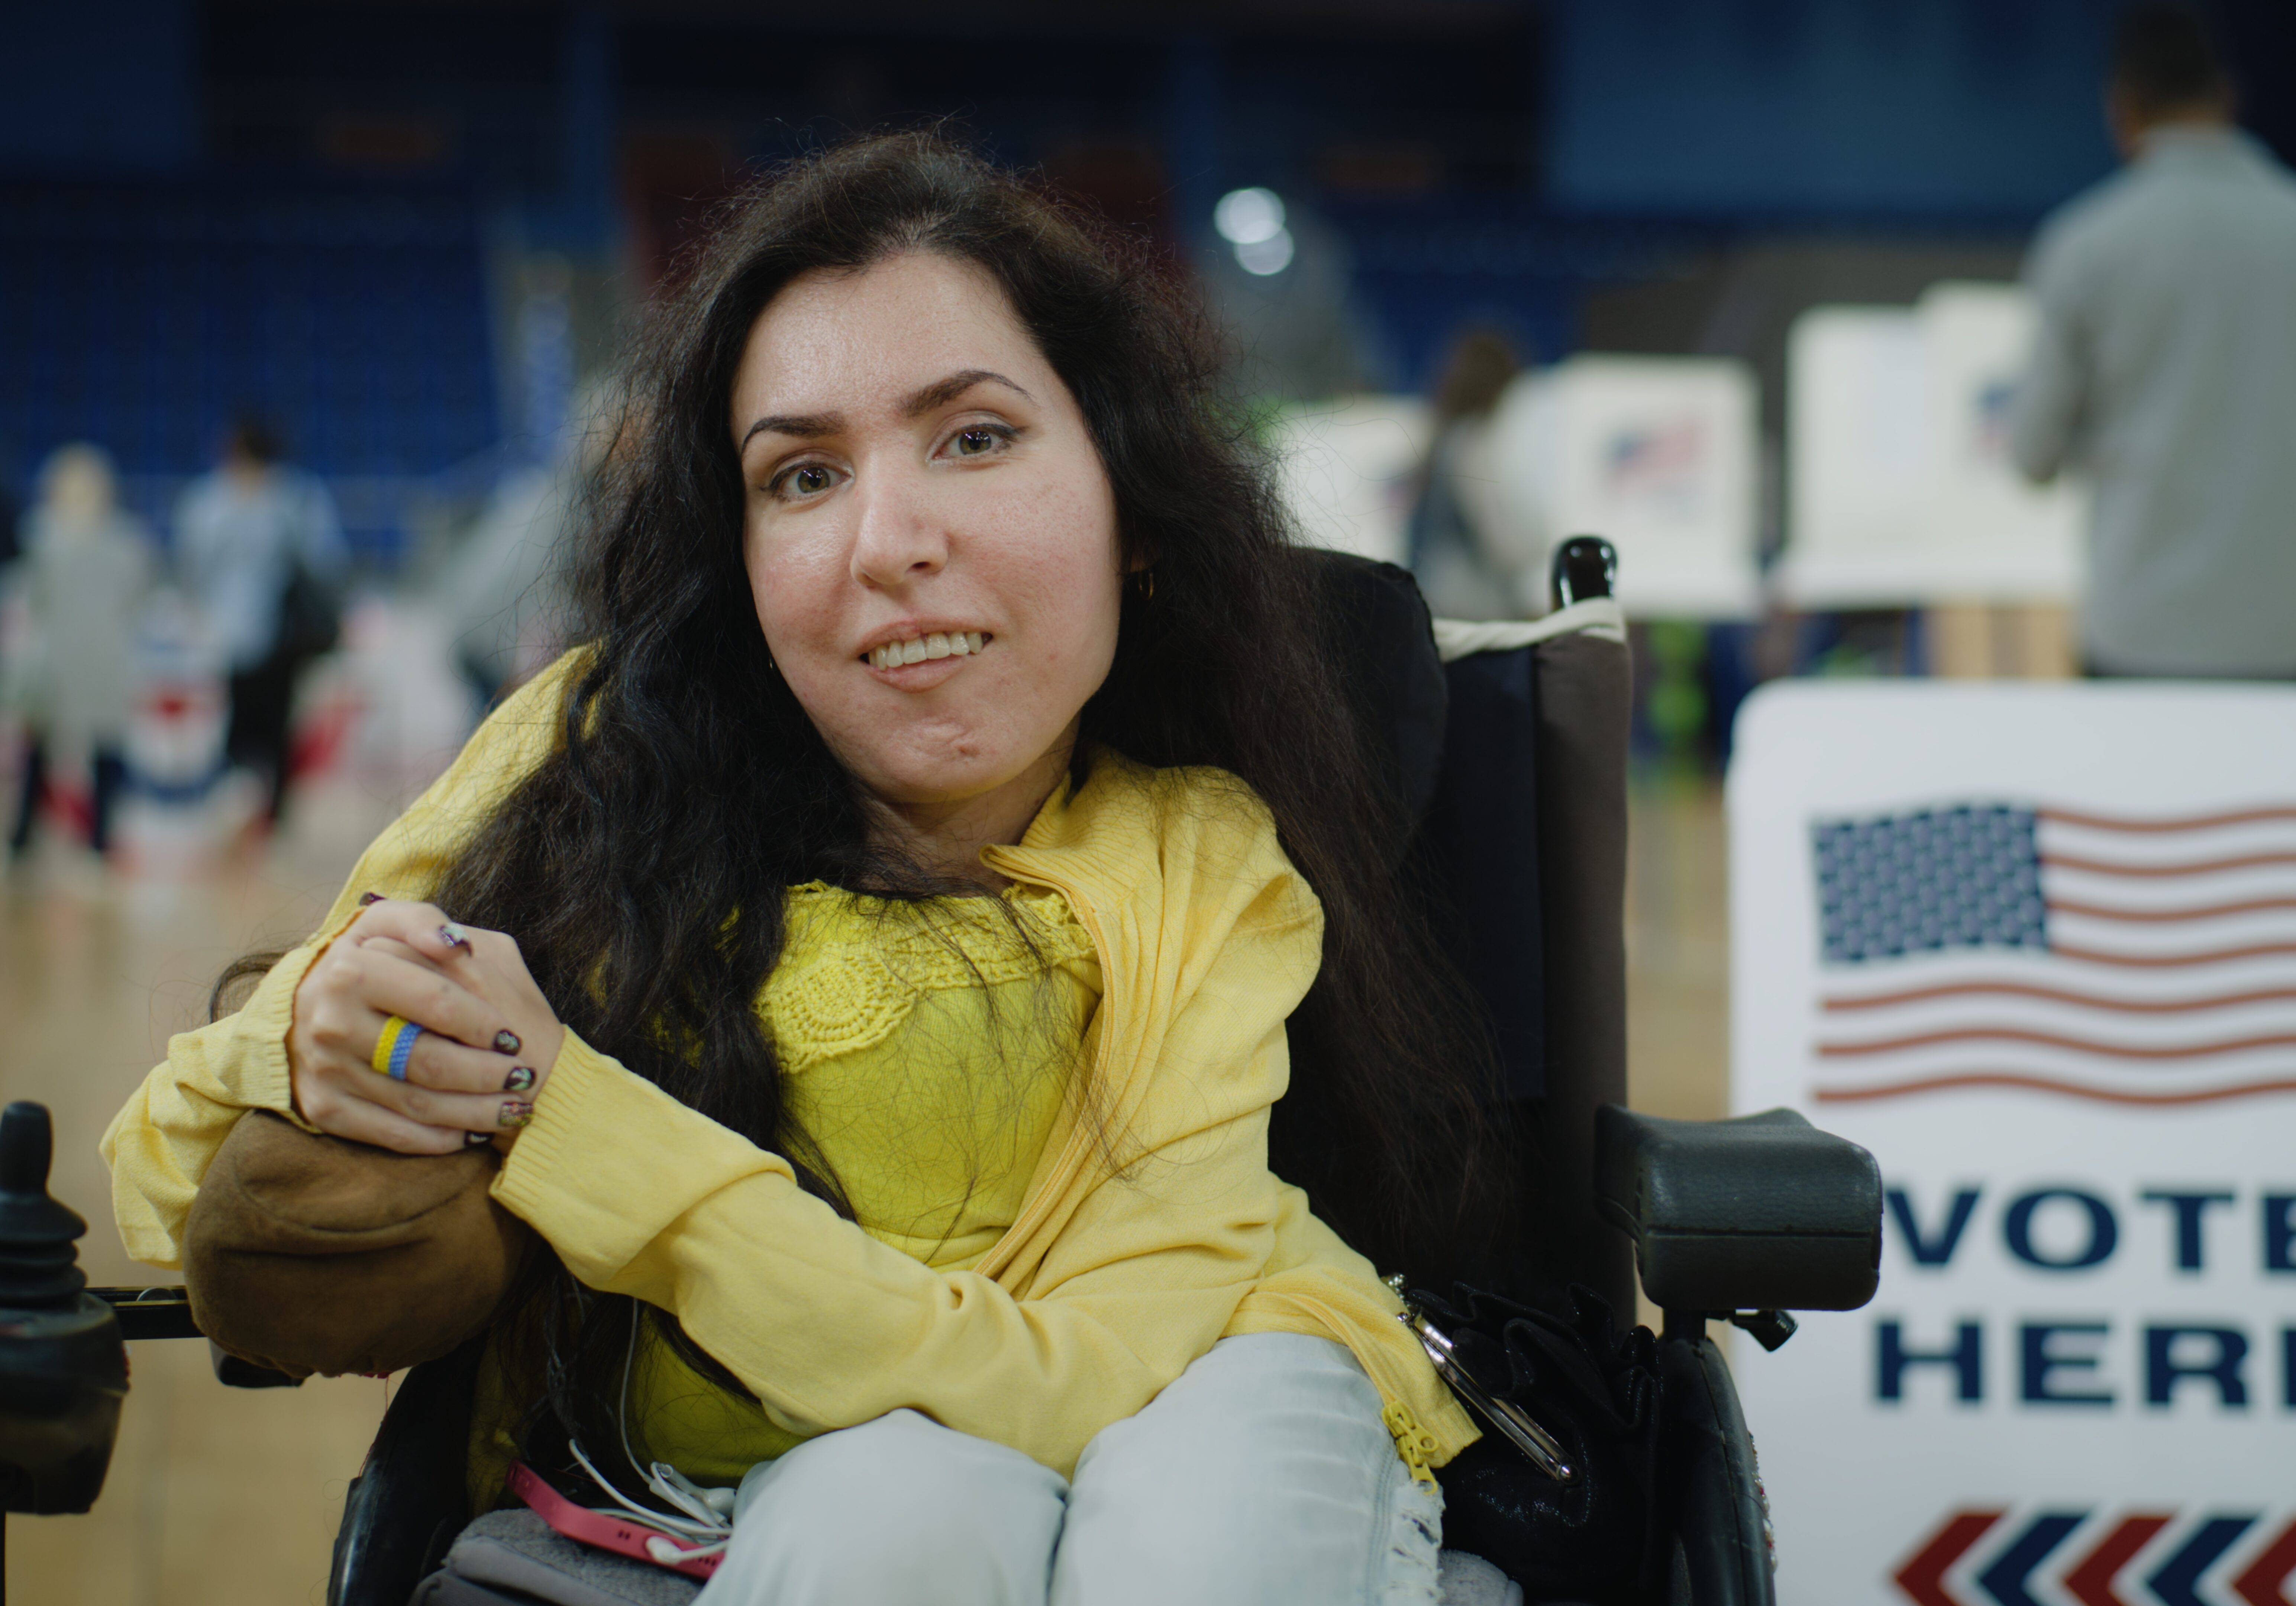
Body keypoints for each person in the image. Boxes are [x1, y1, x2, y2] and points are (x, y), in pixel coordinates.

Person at [103, 136, 1516, 1605]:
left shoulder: (1201, 862)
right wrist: (321, 1031)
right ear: (740, 557)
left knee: (1198, 1533)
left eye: (972, 437)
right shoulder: (595, 764)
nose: (888, 542)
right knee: (882, 1509)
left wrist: (556, 1110)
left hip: (1212, 1385)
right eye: (802, 474)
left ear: (1130, 504)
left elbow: (1097, 1380)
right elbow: (164, 1162)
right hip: (803, 1473)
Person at [2008, 3, 2296, 678]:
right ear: (2227, 96)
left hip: (2140, 629)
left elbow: (2033, 454)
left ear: (2123, 110)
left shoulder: (2086, 245)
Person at [172, 418, 348, 820]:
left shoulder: (209, 502)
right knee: (266, 730)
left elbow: (189, 570)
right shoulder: (296, 498)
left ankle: (246, 812)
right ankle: (261, 816)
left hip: (246, 639)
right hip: (264, 639)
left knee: (244, 730)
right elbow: (327, 564)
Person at [6, 444, 153, 860]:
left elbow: (34, 600)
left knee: (42, 754)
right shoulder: (128, 542)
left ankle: (23, 840)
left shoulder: (40, 537)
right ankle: (100, 841)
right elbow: (136, 599)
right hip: (107, 659)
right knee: (104, 757)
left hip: (58, 661)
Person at [1406, 328, 1531, 622]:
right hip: (1471, 604)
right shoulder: (1472, 443)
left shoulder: (1441, 437)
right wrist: (1535, 555)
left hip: (1431, 592)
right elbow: (1493, 535)